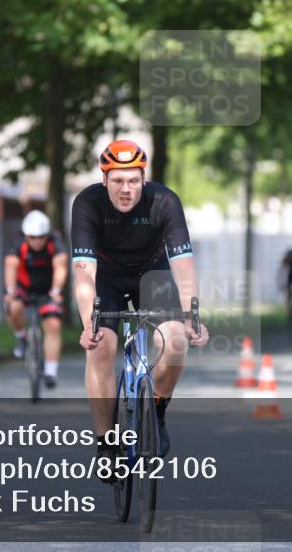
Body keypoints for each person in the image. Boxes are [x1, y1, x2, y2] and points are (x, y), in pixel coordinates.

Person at [71, 139, 209, 472]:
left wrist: (191, 315)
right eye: (117, 180)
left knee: (175, 340)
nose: (126, 189)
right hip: (106, 277)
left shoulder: (164, 201)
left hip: (153, 272)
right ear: (104, 180)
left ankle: (156, 411)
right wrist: (89, 322)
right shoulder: (87, 204)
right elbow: (84, 274)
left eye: (133, 180)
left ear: (143, 179)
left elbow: (183, 265)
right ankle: (106, 444)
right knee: (101, 346)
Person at [4, 210, 67, 389]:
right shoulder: (18, 242)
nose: (37, 241)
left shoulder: (55, 242)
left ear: (46, 235)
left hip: (48, 291)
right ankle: (21, 337)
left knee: (53, 324)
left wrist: (56, 291)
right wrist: (10, 290)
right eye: (32, 237)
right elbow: (10, 265)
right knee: (13, 307)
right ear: (25, 236)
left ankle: (50, 372)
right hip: (23, 288)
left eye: (41, 237)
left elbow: (60, 266)